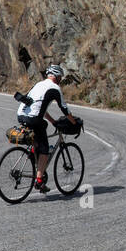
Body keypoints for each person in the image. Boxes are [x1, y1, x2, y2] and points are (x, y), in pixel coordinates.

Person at [16, 64, 80, 193]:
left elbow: (39, 107)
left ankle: (35, 154)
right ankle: (39, 180)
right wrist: (73, 123)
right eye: (60, 77)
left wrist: (53, 122)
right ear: (57, 77)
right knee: (45, 149)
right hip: (33, 118)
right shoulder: (55, 88)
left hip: (21, 115)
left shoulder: (39, 84)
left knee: (40, 131)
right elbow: (64, 109)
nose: (60, 79)